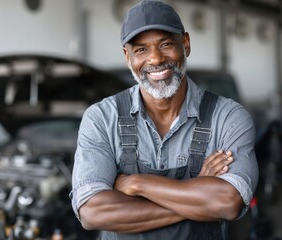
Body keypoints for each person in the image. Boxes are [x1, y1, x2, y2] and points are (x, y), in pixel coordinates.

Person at [70, 0, 259, 239]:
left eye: (166, 44)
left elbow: (227, 201)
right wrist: (197, 194)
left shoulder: (228, 117)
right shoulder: (101, 118)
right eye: (141, 49)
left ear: (186, 44)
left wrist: (138, 184)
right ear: (127, 56)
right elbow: (92, 212)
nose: (156, 59)